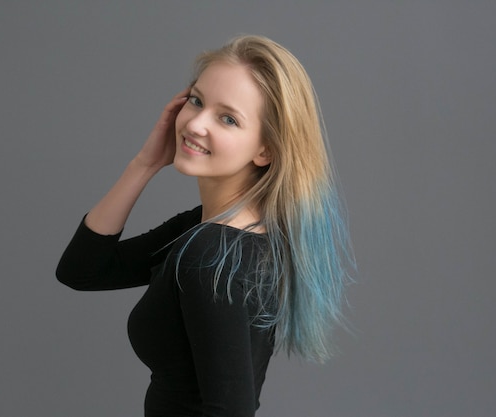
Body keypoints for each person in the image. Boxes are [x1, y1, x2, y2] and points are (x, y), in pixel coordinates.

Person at [56, 35, 354, 417]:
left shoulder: (210, 254)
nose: (195, 124)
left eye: (227, 118)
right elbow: (82, 270)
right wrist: (144, 164)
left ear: (266, 150)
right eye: (196, 101)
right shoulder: (215, 232)